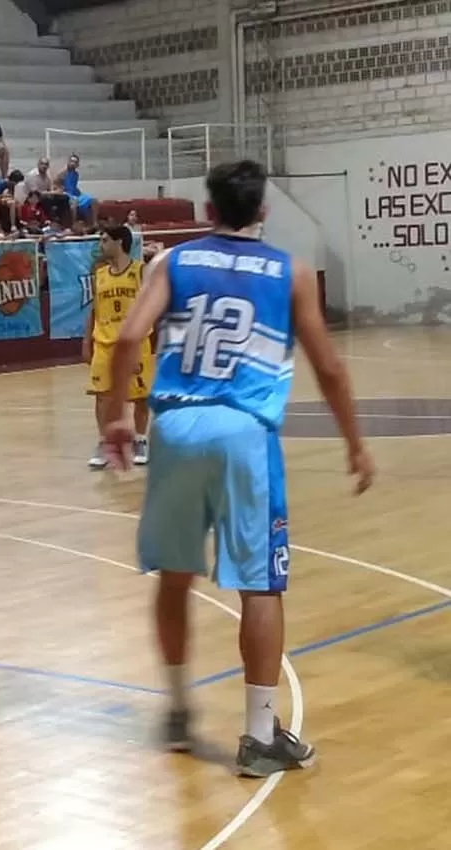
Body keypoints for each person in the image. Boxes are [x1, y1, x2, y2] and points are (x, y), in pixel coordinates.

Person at [100, 159, 374, 776]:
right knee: (260, 582)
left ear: (208, 209)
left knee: (175, 576)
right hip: (243, 432)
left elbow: (125, 340)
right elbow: (329, 368)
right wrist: (355, 443)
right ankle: (257, 736)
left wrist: (117, 417)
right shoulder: (290, 272)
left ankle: (175, 709)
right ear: (263, 211)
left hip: (173, 427)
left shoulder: (171, 262)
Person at [84, 225, 151, 470]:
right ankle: (104, 443)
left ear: (119, 242)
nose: (100, 245)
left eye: (104, 240)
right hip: (103, 342)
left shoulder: (140, 271)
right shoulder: (99, 274)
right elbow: (94, 309)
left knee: (140, 397)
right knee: (102, 397)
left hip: (134, 341)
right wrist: (86, 340)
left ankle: (140, 440)